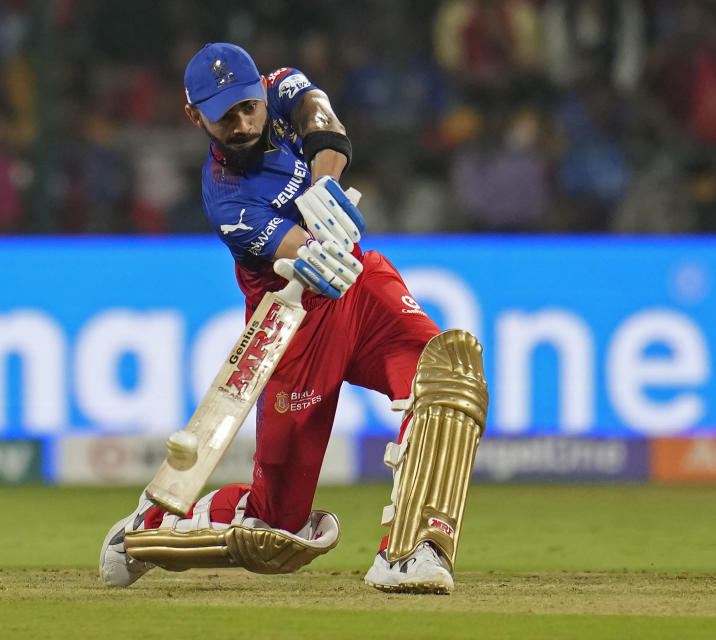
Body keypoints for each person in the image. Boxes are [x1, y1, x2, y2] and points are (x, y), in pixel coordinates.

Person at [99, 42, 489, 594]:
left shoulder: (282, 86)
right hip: (294, 327)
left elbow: (325, 129)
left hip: (362, 290)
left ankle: (412, 551)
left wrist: (323, 188)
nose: (242, 123)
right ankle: (150, 528)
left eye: (248, 106)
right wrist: (315, 244)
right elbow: (304, 255)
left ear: (260, 88)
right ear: (195, 118)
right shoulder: (225, 197)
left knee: (449, 377)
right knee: (277, 530)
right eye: (224, 117)